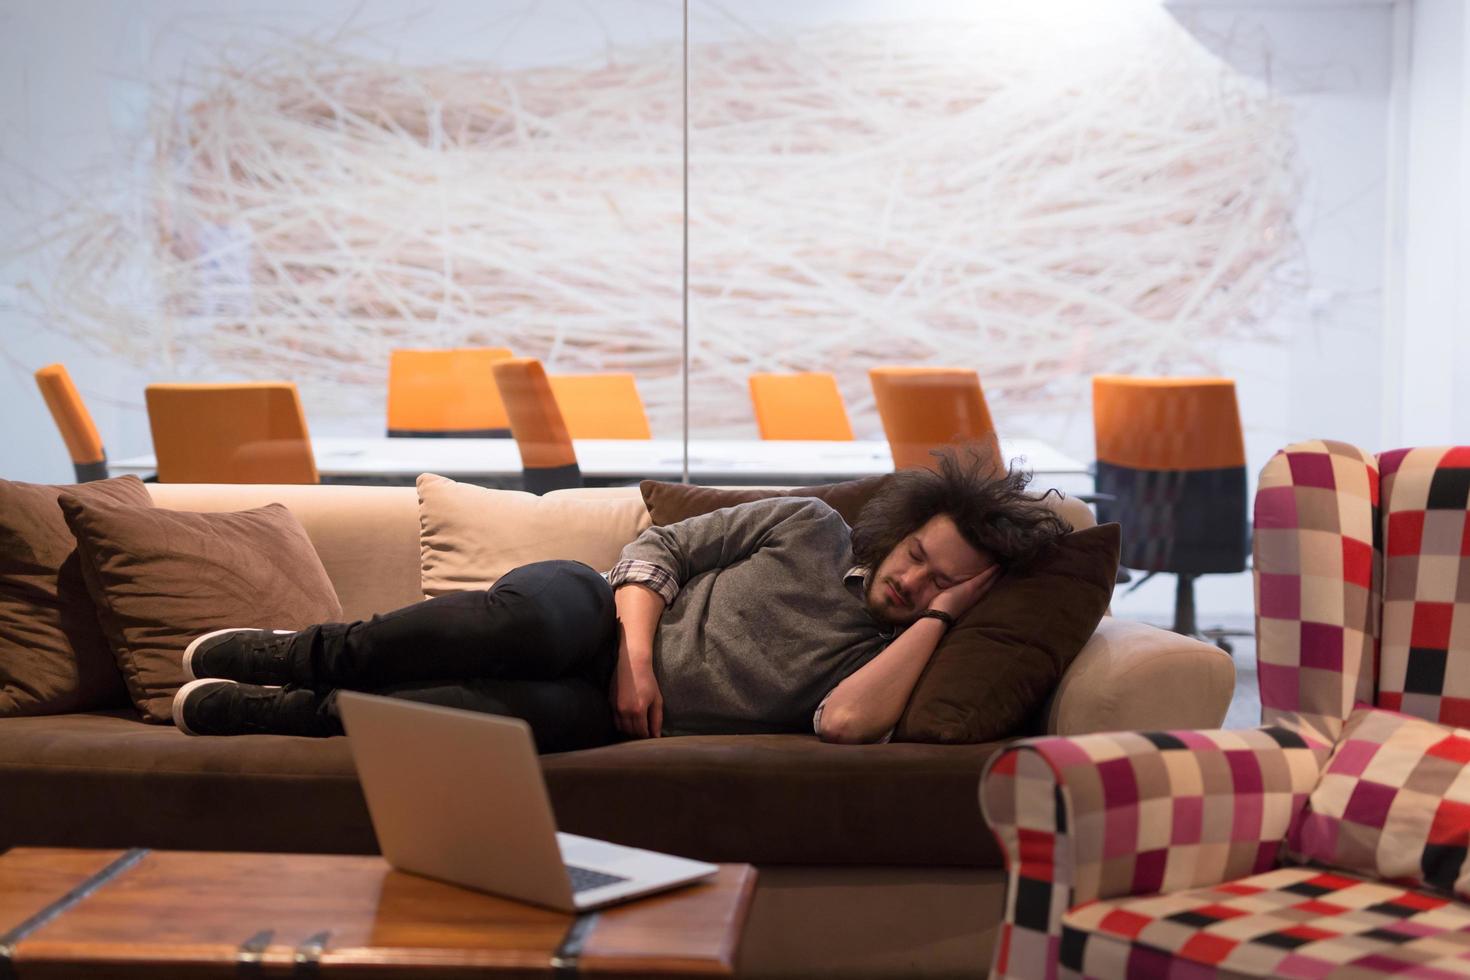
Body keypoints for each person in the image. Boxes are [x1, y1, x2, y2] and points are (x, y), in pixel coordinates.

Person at [171, 448, 1071, 750]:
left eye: (942, 582)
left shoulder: (902, 657)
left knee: (482, 722)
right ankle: (298, 651)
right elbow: (659, 547)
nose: (912, 582)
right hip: (596, 615)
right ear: (901, 527)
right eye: (917, 556)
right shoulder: (809, 528)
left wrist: (946, 616)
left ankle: (298, 710)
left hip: (608, 717)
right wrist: (637, 660)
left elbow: (840, 726)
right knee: (524, 622)